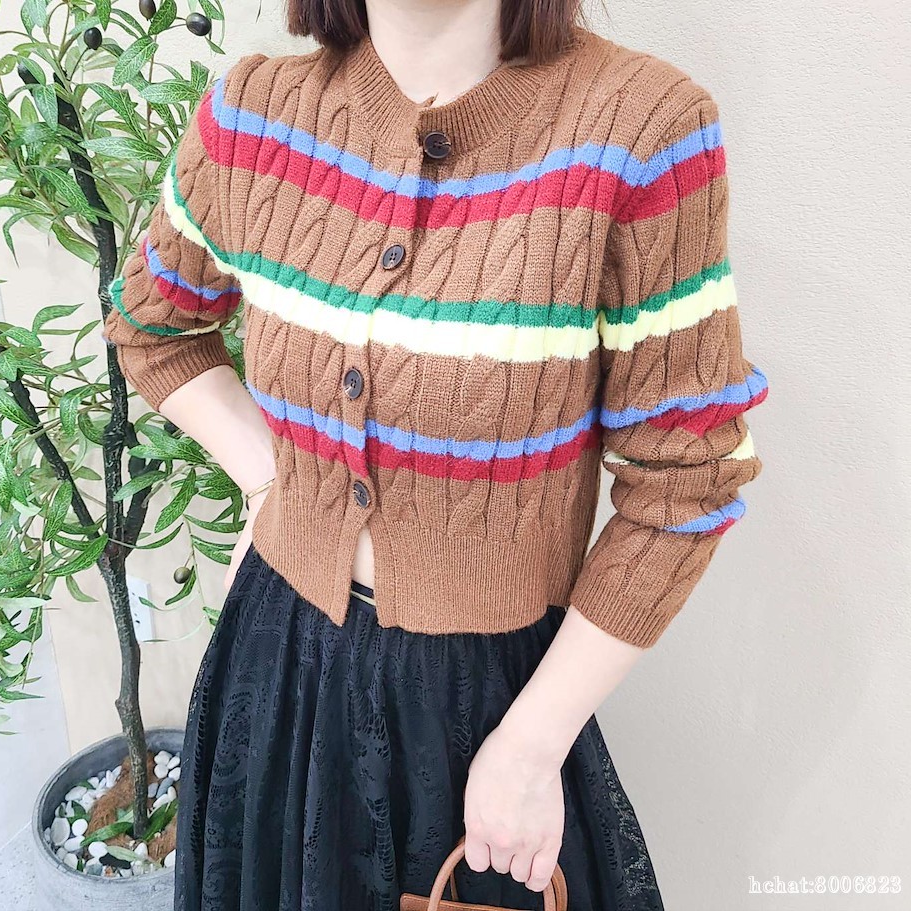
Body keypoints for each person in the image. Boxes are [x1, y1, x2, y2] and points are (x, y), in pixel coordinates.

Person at [102, 0, 769, 908]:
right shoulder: (252, 114)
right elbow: (151, 325)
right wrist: (268, 477)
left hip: (485, 704)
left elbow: (688, 479)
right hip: (277, 661)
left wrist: (531, 746)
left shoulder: (643, 132)